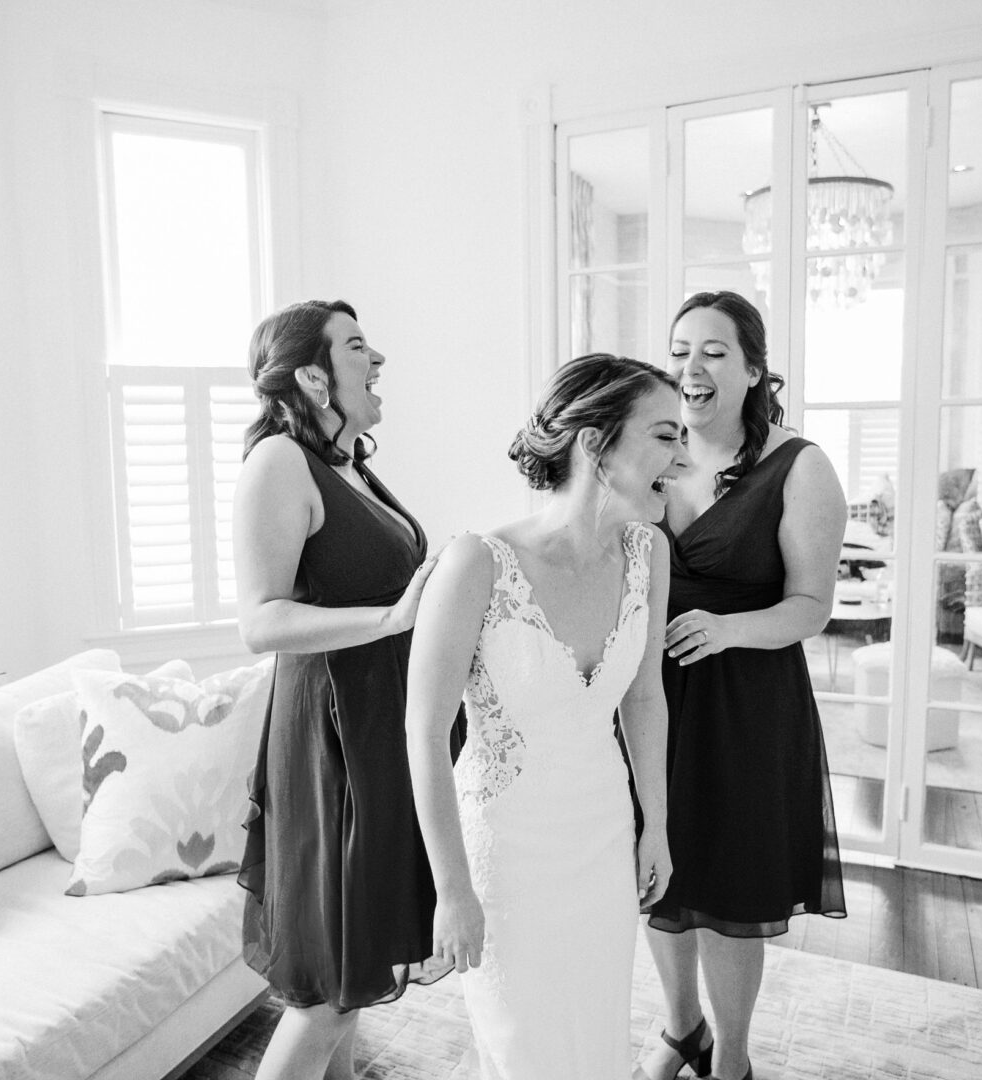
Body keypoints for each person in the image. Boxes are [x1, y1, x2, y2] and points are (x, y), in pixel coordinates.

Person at [405, 354, 687, 1078]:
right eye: (664, 436)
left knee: (593, 1039)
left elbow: (644, 694)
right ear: (596, 445)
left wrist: (654, 823)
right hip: (506, 859)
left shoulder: (649, 553)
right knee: (523, 1049)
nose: (683, 458)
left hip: (600, 841)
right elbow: (424, 731)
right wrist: (452, 888)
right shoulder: (476, 564)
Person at [233, 300, 446, 1080]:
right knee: (325, 995)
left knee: (353, 979)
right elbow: (260, 622)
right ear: (314, 376)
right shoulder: (279, 463)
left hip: (375, 732)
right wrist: (394, 617)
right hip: (329, 743)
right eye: (359, 346)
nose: (377, 359)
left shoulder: (350, 464)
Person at [639, 291, 848, 1080]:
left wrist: (727, 630)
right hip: (649, 698)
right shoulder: (649, 454)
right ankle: (678, 1029)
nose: (690, 368)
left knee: (728, 898)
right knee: (655, 878)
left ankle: (731, 1058)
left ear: (754, 370)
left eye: (714, 352)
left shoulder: (800, 465)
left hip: (747, 706)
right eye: (680, 349)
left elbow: (812, 604)